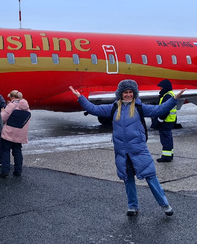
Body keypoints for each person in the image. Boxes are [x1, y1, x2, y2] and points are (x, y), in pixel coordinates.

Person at [69, 80, 185, 217]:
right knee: (128, 179)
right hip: (122, 152)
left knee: (150, 177)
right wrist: (80, 97)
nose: (128, 95)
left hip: (139, 150)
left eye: (130, 92)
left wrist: (174, 99)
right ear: (121, 94)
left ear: (134, 93)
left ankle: (165, 205)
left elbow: (159, 109)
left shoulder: (140, 107)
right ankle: (132, 206)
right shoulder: (113, 108)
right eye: (125, 92)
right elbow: (94, 109)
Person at [0, 90, 31, 178]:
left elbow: (2, 118)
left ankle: (5, 170)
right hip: (19, 135)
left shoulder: (11, 106)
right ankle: (18, 171)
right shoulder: (28, 109)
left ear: (12, 97)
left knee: (5, 151)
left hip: (8, 133)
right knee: (17, 152)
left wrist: (2, 111)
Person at [152, 79, 180, 162]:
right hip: (170, 120)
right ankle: (170, 154)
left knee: (165, 139)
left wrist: (160, 119)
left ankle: (166, 157)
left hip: (166, 121)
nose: (160, 89)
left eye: (161, 87)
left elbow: (165, 109)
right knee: (168, 138)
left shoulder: (167, 96)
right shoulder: (171, 94)